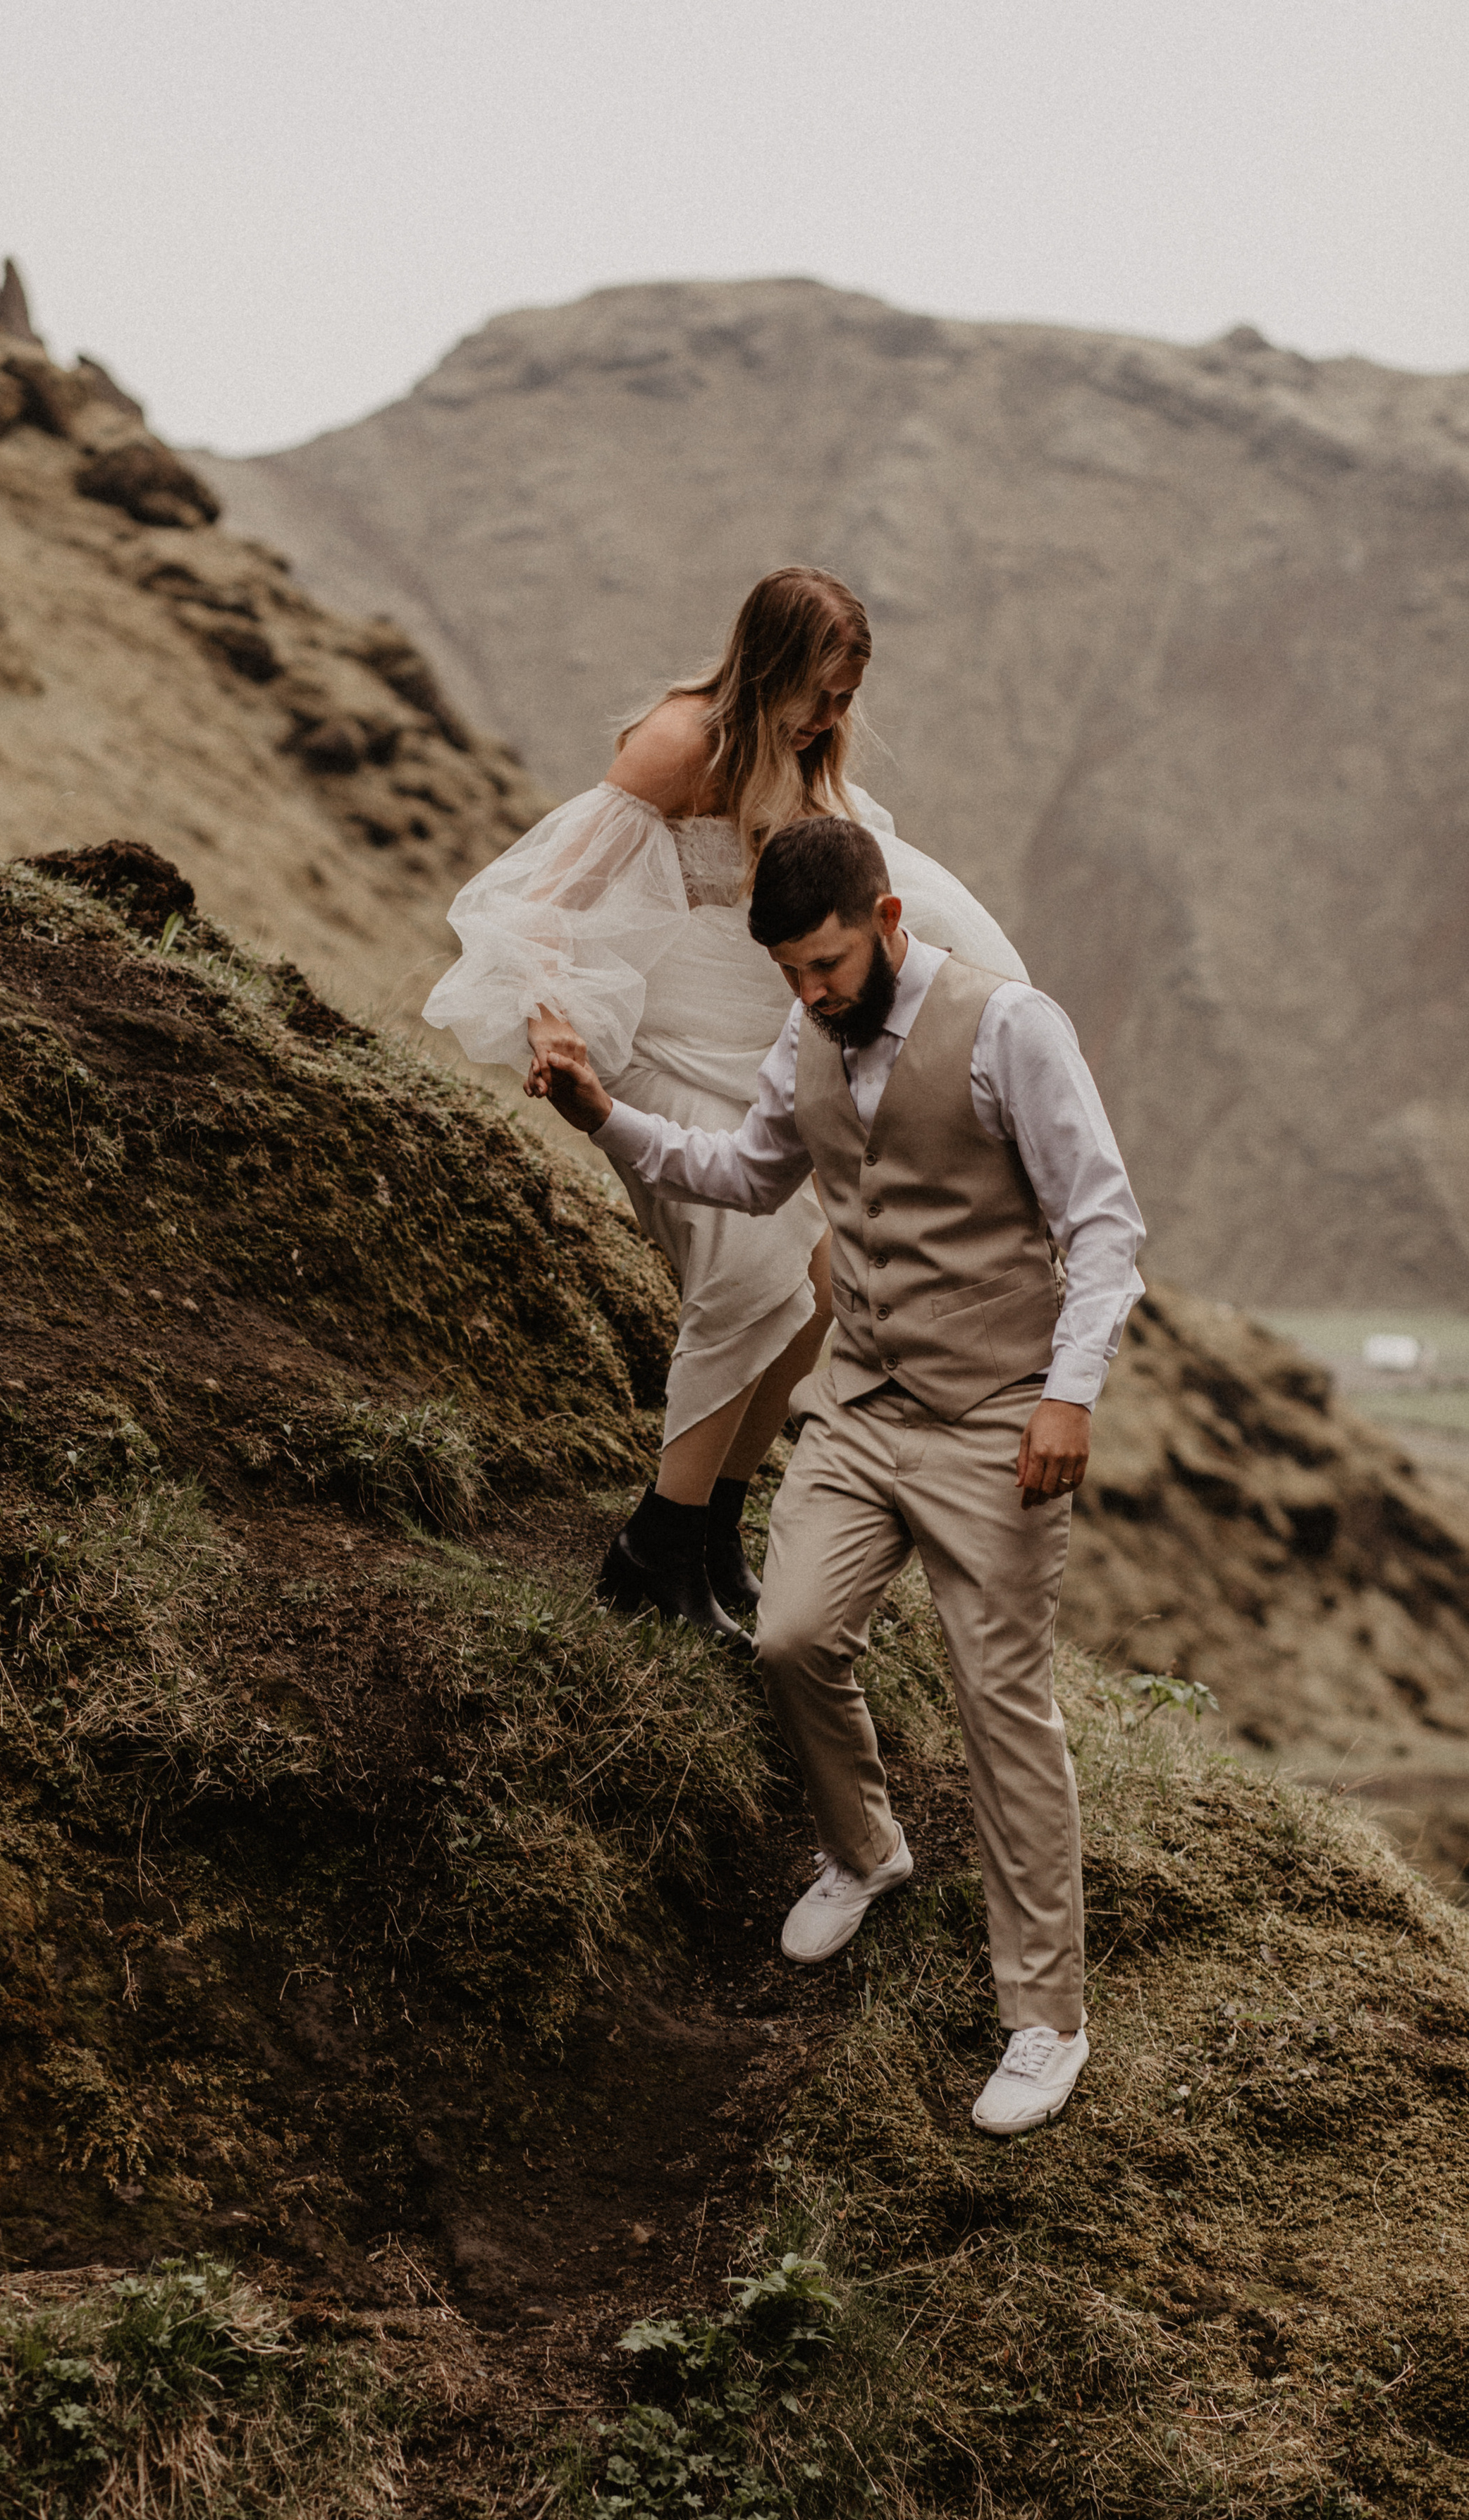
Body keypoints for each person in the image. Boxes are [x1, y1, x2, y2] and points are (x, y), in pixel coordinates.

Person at [534, 812, 1145, 2138]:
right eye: (790, 976)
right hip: (862, 1406)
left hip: (999, 1420)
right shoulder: (803, 1031)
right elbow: (747, 1176)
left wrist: (1068, 1395)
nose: (809, 995)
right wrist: (604, 1116)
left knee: (1004, 1714)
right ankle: (865, 1853)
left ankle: (1046, 2022)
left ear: (886, 923)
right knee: (794, 1637)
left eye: (824, 967)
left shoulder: (1008, 1029)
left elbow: (1104, 1223)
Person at [422, 567, 1025, 1645]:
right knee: (748, 1269)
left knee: (830, 1283)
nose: (836, 720)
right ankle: (648, 1551)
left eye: (848, 698)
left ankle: (711, 1531)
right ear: (776, 668)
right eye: (824, 695)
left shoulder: (810, 756)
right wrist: (551, 1018)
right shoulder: (677, 745)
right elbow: (548, 898)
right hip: (654, 1033)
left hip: (757, 1050)